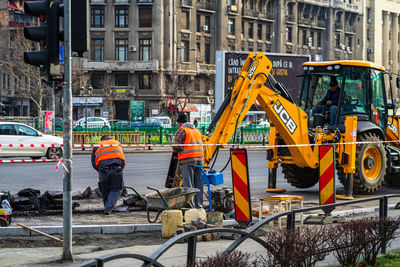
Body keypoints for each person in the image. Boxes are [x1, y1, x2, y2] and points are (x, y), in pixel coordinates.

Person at [173, 113, 204, 208]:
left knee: (188, 183)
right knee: (198, 183)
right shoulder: (196, 131)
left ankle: (189, 206)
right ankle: (199, 205)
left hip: (188, 159)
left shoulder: (182, 130)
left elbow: (176, 146)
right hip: (199, 159)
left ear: (179, 123)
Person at [91, 135, 126, 215]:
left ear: (102, 140)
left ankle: (107, 207)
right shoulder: (117, 144)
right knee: (116, 189)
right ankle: (109, 207)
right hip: (117, 168)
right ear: (111, 138)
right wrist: (120, 168)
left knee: (104, 189)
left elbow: (93, 162)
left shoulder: (98, 145)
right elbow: (122, 158)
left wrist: (100, 170)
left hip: (103, 169)